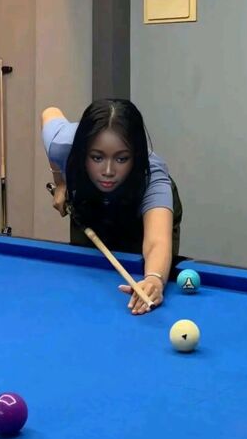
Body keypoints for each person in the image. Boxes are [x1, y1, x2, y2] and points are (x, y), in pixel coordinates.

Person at [41, 99, 183, 316]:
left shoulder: (152, 177)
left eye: (122, 159)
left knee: (146, 267)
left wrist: (154, 279)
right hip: (89, 204)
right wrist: (60, 181)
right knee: (88, 275)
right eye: (97, 157)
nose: (108, 171)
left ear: (136, 156)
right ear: (82, 152)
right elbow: (49, 112)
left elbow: (157, 241)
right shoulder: (63, 146)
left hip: (136, 210)